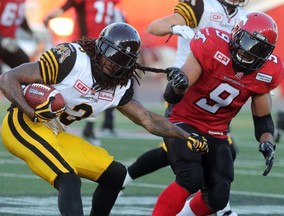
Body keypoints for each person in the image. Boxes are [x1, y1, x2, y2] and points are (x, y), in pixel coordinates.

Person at [0, 22, 208, 216]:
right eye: (109, 55)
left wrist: (184, 135)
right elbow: (8, 78)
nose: (110, 63)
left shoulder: (119, 85)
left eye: (118, 61)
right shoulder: (72, 59)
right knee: (68, 179)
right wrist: (30, 111)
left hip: (55, 131)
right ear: (99, 47)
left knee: (116, 175)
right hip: (23, 124)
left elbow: (148, 119)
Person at [151, 11, 284, 216]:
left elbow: (263, 120)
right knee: (191, 177)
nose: (249, 52)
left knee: (219, 196)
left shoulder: (268, 72)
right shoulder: (212, 45)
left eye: (258, 48)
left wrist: (266, 141)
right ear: (237, 34)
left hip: (217, 132)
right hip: (183, 121)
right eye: (248, 42)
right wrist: (178, 85)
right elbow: (173, 93)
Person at [123, 0, 248, 215]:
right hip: (187, 87)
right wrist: (175, 28)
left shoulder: (244, 16)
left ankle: (124, 177)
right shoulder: (201, 6)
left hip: (217, 89)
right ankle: (222, 207)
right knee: (202, 150)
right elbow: (154, 27)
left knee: (189, 149)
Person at [44, 0, 123, 145]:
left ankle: (90, 127)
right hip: (87, 46)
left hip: (98, 47)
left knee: (99, 87)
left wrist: (50, 17)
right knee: (74, 84)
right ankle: (51, 116)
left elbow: (66, 7)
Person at [0, 0, 35, 74]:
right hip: (4, 41)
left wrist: (31, 33)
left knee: (27, 68)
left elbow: (18, 15)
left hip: (9, 43)